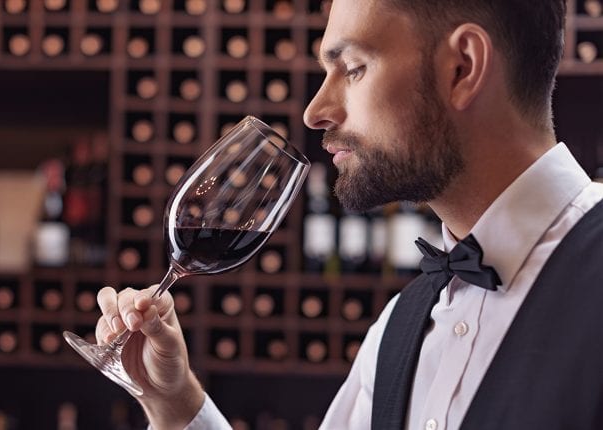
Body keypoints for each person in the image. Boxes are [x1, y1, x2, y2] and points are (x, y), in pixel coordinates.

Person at [93, 0, 603, 428]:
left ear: (462, 68)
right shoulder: (400, 327)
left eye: (353, 68)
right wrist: (174, 402)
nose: (314, 111)